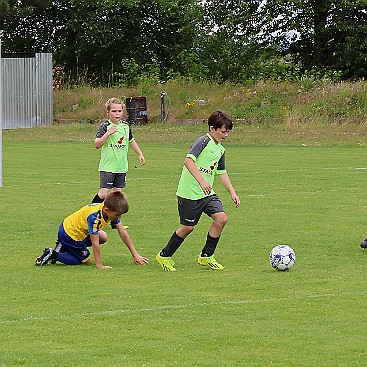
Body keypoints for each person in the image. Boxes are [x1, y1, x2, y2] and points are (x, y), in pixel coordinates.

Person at [156, 110, 240, 271]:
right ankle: (164, 255)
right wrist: (201, 181)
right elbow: (188, 161)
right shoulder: (203, 141)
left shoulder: (221, 149)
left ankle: (206, 256)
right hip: (189, 193)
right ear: (212, 128)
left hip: (207, 194)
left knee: (221, 219)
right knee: (188, 228)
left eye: (228, 131)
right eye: (223, 131)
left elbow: (221, 172)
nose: (226, 135)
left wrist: (232, 192)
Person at [35, 191, 149, 268]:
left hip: (73, 230)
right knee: (85, 262)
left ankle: (63, 246)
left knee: (103, 237)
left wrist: (135, 255)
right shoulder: (95, 217)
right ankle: (53, 254)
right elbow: (94, 243)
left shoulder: (109, 212)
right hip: (70, 234)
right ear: (106, 209)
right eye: (117, 215)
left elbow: (123, 233)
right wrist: (99, 265)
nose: (119, 218)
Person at [91, 97, 145, 204]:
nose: (117, 114)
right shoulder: (105, 126)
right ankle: (91, 211)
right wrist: (108, 133)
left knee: (117, 195)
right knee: (103, 193)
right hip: (108, 166)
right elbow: (97, 144)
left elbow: (131, 140)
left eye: (119, 111)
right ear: (108, 112)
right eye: (114, 111)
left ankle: (114, 219)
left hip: (121, 166)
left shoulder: (126, 126)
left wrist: (140, 154)